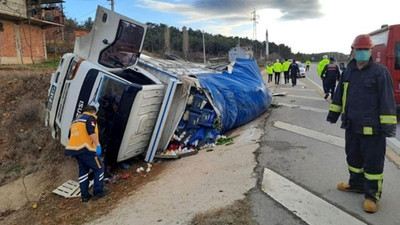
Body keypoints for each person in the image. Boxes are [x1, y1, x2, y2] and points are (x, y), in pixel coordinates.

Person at [326, 34, 397, 213]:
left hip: (373, 130)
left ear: (370, 51)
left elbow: (387, 101)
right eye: (359, 49)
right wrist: (333, 115)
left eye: (366, 49)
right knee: (353, 159)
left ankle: (372, 196)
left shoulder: (380, 72)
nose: (362, 52)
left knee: (373, 164)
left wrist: (387, 127)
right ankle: (356, 185)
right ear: (353, 50)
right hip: (351, 125)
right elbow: (339, 95)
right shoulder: (348, 72)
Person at [65, 105, 111, 202]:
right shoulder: (90, 118)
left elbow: (70, 135)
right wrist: (98, 145)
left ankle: (85, 195)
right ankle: (98, 191)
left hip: (74, 150)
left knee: (83, 171)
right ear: (92, 111)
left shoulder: (75, 121)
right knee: (99, 168)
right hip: (86, 149)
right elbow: (91, 132)